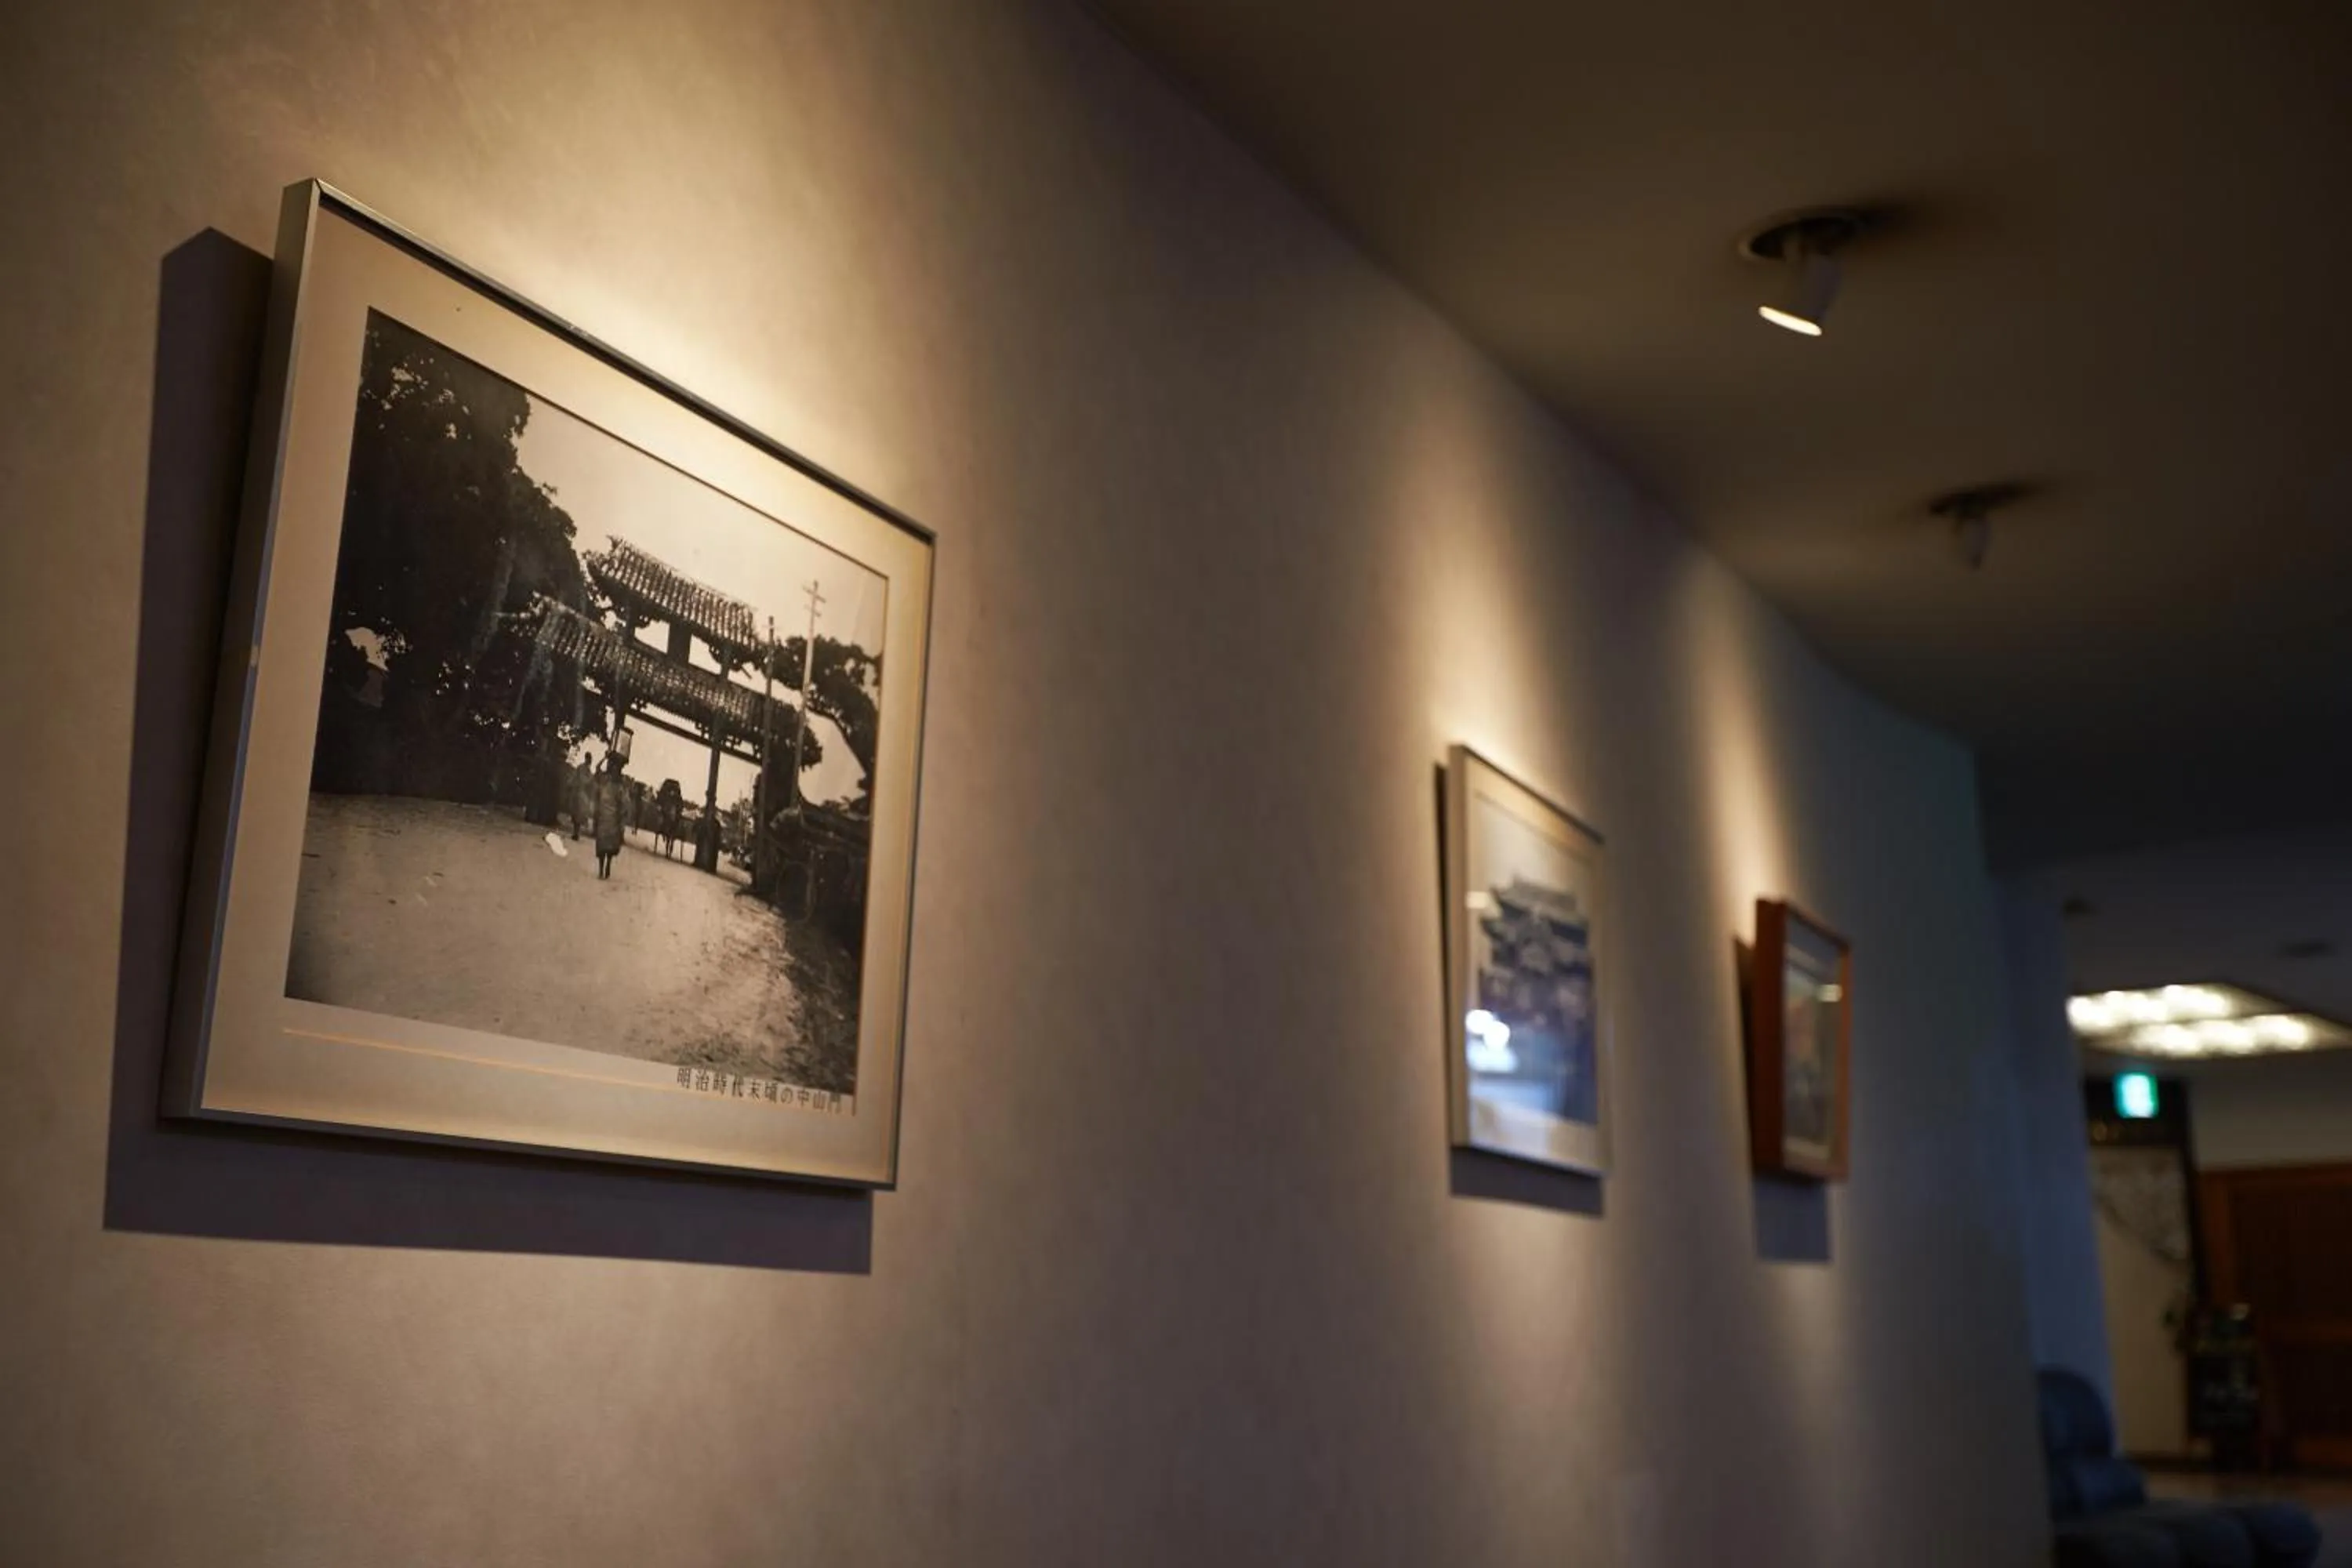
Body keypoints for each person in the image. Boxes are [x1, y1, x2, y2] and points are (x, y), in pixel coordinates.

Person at [593, 756, 628, 880]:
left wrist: (621, 818)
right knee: (601, 845)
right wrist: (605, 757)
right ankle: (601, 870)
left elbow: (624, 804)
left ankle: (607, 865)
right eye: (612, 767)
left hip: (613, 819)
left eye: (615, 769)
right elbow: (597, 768)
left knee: (610, 846)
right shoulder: (604, 779)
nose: (613, 771)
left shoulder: (620, 787)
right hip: (603, 816)